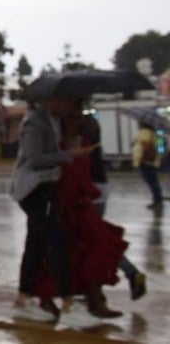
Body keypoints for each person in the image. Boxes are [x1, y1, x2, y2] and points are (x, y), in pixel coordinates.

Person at [32, 103, 146, 319]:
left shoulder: (82, 143)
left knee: (93, 250)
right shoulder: (58, 144)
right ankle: (59, 299)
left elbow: (80, 175)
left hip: (79, 207)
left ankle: (95, 298)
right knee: (68, 254)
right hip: (64, 207)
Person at [10, 97, 101, 329]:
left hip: (45, 187)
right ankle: (69, 305)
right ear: (52, 100)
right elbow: (35, 158)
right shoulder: (35, 123)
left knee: (37, 244)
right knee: (56, 241)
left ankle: (23, 300)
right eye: (67, 101)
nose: (70, 106)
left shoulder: (51, 121)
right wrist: (69, 155)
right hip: (35, 189)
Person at [79, 113, 147, 303]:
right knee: (93, 239)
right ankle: (94, 288)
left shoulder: (83, 137)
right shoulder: (92, 134)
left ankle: (96, 289)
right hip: (98, 188)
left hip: (90, 190)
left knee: (92, 241)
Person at [133, 121, 162, 210]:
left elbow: (146, 146)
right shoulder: (151, 132)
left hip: (146, 162)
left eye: (139, 123)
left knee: (152, 182)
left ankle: (156, 202)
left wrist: (142, 159)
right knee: (153, 182)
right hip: (150, 162)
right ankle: (157, 201)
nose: (138, 124)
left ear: (142, 124)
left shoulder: (144, 132)